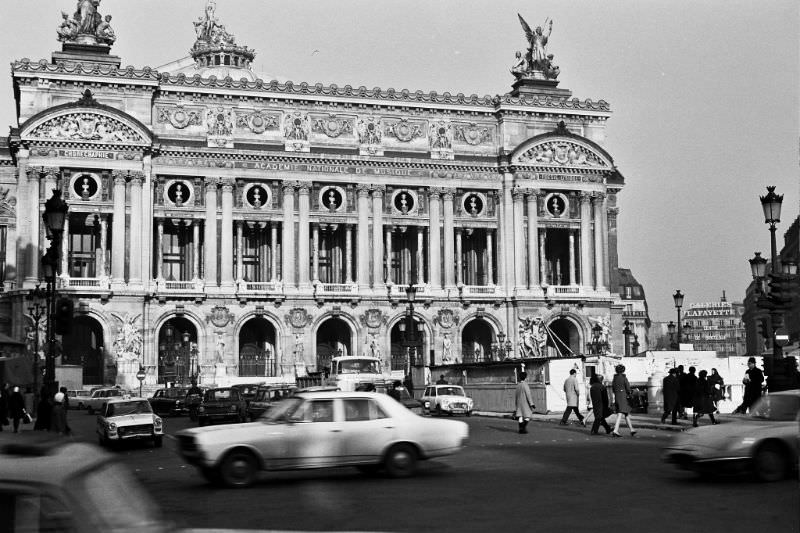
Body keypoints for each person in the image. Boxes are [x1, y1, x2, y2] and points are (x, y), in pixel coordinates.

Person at [611, 365, 636, 437]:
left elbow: (613, 389)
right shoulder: (624, 378)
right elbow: (628, 388)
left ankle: (632, 429)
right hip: (623, 397)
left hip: (617, 396)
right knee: (620, 413)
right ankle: (615, 430)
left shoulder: (614, 378)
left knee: (626, 413)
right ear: (623, 370)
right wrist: (630, 393)